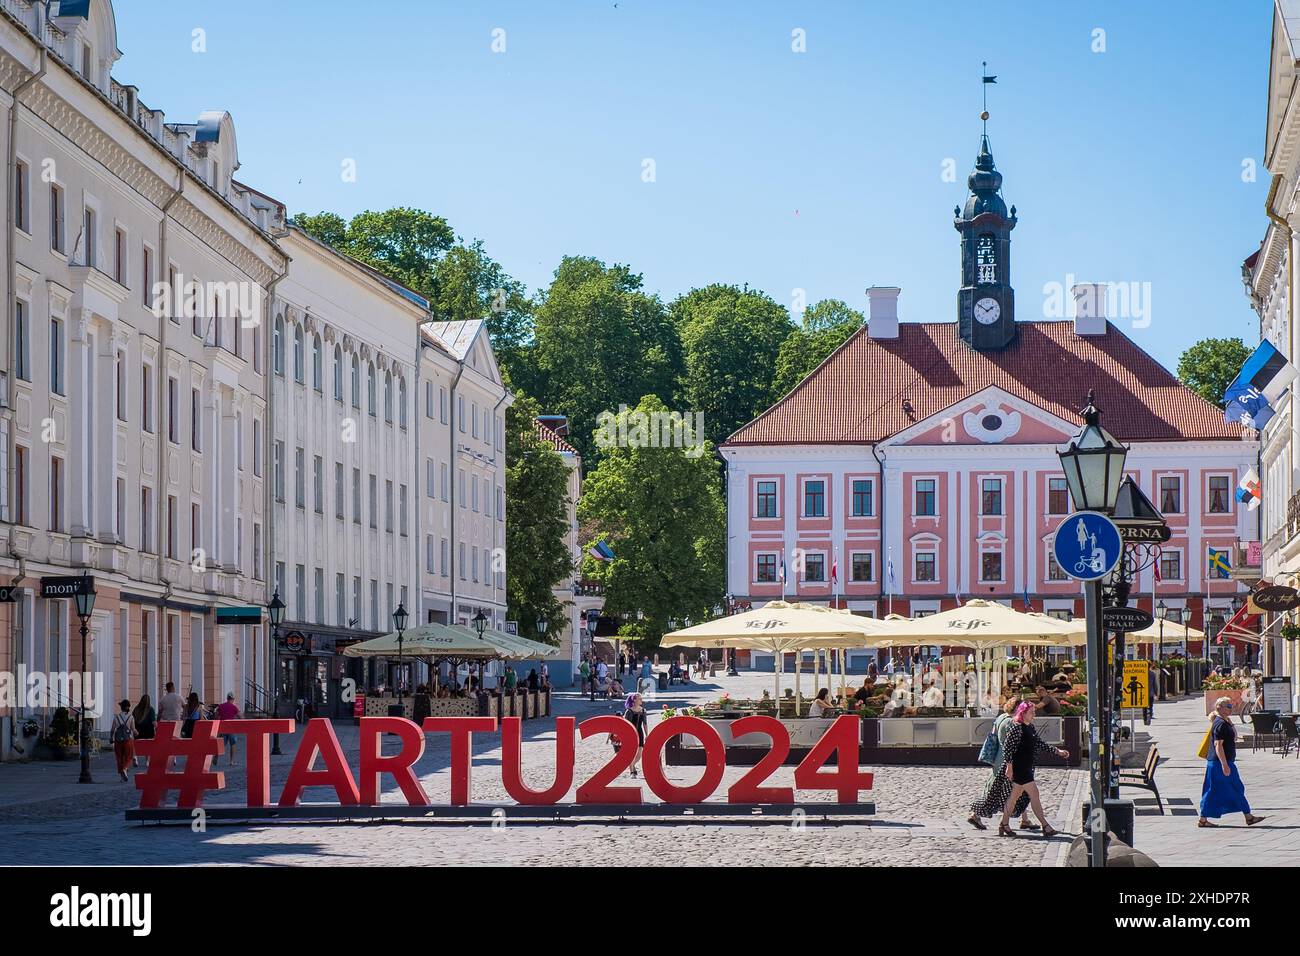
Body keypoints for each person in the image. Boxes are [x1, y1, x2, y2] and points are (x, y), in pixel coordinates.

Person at [997, 702, 1068, 838]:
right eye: (1032, 712)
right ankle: (1045, 826)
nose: (1034, 715)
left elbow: (1039, 743)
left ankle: (1004, 824)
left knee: (1013, 797)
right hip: (1020, 768)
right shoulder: (1017, 728)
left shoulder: (1030, 727)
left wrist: (1057, 751)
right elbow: (1008, 748)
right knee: (1034, 795)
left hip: (1026, 766)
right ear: (1023, 713)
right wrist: (1009, 767)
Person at [968, 697, 1035, 831]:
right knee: (1006, 790)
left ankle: (1025, 819)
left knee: (1017, 790)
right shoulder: (1012, 723)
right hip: (1008, 762)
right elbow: (1014, 745)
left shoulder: (1001, 717)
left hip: (999, 760)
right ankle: (976, 814)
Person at [1199, 697, 1267, 828]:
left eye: (1231, 705)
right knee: (1227, 789)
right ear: (1220, 708)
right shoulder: (1220, 724)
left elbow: (1234, 736)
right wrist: (1224, 765)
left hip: (1221, 763)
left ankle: (1247, 816)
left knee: (1220, 790)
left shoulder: (1224, 722)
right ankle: (1248, 817)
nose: (1231, 708)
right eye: (1228, 706)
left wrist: (1230, 722)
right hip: (1220, 763)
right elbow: (1218, 745)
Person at [622, 693, 649, 778]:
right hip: (631, 733)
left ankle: (632, 765)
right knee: (632, 752)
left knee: (639, 753)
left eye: (641, 698)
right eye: (639, 699)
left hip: (639, 732)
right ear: (634, 700)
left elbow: (645, 723)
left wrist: (646, 734)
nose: (641, 700)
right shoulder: (629, 711)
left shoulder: (643, 710)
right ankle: (632, 772)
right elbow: (625, 724)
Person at [110, 699, 136, 781]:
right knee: (129, 756)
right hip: (128, 740)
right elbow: (133, 729)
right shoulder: (131, 717)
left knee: (119, 757)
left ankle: (122, 775)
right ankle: (125, 768)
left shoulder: (117, 717)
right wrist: (137, 733)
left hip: (118, 740)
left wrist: (111, 737)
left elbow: (112, 729)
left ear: (121, 707)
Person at [130, 694, 155, 768]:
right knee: (148, 745)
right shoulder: (151, 709)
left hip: (138, 729)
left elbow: (132, 719)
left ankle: (135, 757)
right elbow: (153, 722)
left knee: (135, 744)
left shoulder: (136, 709)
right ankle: (147, 761)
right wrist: (157, 727)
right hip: (148, 730)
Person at [215, 693, 240, 765]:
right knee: (233, 744)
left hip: (223, 728)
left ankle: (215, 757)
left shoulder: (221, 706)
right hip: (231, 728)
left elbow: (216, 716)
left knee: (221, 744)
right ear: (232, 699)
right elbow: (241, 717)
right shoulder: (234, 707)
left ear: (227, 698)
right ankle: (231, 761)